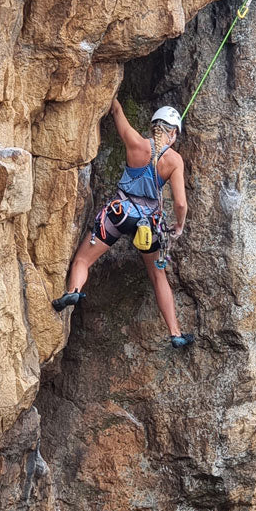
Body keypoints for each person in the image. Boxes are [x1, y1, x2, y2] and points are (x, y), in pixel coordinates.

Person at [51, 99, 194, 348]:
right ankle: (175, 333)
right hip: (148, 226)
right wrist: (179, 226)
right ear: (173, 133)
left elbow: (116, 109)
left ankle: (73, 290)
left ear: (153, 128)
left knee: (83, 260)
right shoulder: (174, 161)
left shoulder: (136, 143)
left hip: (119, 214)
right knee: (157, 275)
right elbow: (180, 204)